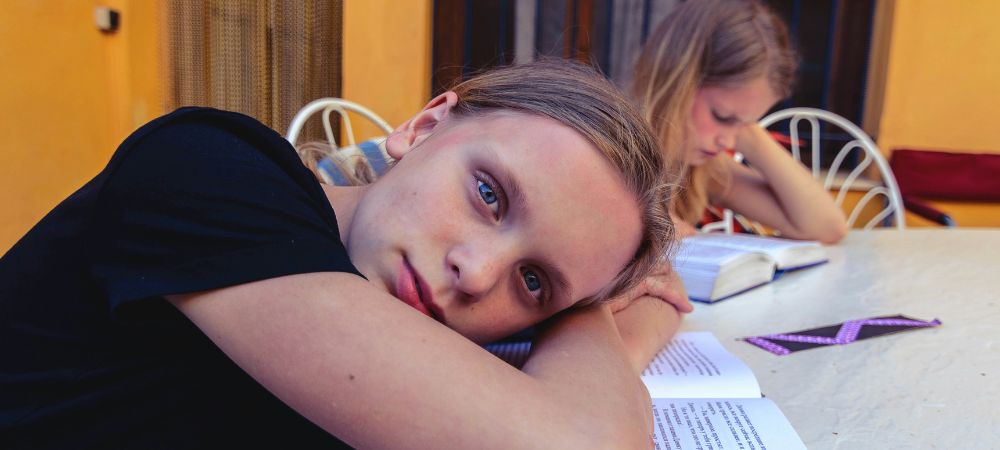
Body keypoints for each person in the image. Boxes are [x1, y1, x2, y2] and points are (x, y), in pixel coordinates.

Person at [0, 61, 690, 449]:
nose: (477, 275)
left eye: (533, 280)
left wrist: (582, 302)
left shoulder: (405, 324)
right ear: (422, 127)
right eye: (488, 193)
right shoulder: (209, 170)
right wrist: (596, 320)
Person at [631, 0, 848, 243]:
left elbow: (827, 227)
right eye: (722, 116)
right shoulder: (608, 158)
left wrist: (749, 132)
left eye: (744, 125)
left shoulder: (699, 171)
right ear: (675, 82)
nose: (729, 141)